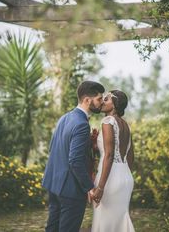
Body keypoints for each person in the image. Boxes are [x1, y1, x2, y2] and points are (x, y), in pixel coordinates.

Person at [42, 81, 105, 232]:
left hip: (54, 184)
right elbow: (75, 160)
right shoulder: (82, 124)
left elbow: (54, 147)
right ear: (87, 100)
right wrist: (89, 187)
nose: (101, 102)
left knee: (52, 228)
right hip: (71, 189)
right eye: (99, 99)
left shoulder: (65, 117)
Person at [91, 90, 135, 232]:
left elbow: (109, 155)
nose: (103, 101)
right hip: (126, 177)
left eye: (107, 99)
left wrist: (100, 188)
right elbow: (130, 156)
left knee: (105, 221)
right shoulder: (126, 125)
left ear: (115, 104)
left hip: (110, 179)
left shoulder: (107, 121)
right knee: (120, 220)